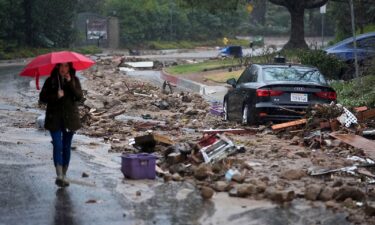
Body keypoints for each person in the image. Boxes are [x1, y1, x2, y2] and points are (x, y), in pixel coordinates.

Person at [39, 62, 83, 187]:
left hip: (70, 119)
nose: (64, 69)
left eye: (66, 66)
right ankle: (59, 175)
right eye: (61, 66)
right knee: (57, 145)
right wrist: (55, 96)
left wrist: (70, 83)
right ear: (57, 67)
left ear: (69, 67)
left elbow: (79, 97)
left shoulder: (75, 80)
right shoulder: (50, 81)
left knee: (66, 146)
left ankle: (64, 175)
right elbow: (42, 97)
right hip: (54, 119)